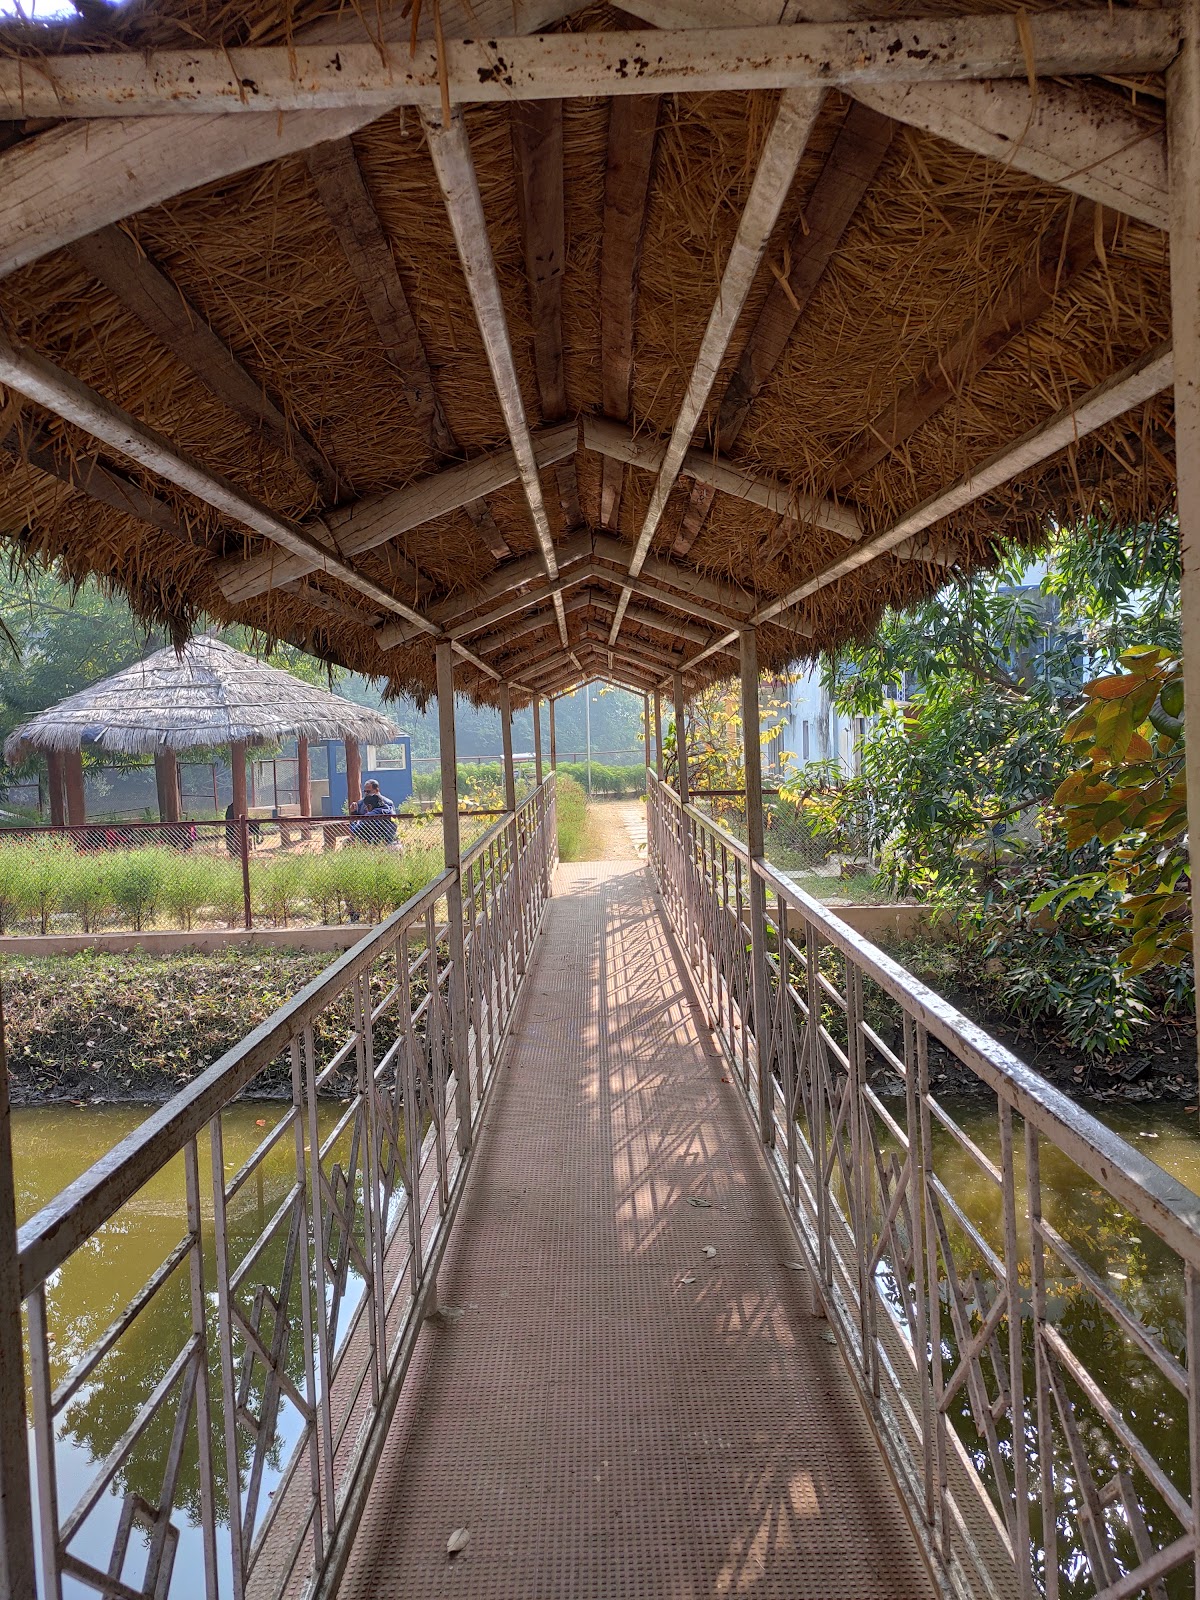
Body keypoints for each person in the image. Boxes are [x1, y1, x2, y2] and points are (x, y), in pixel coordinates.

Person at [349, 779, 398, 846]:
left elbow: (393, 821)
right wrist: (354, 813)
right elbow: (359, 819)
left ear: (377, 790)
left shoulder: (388, 803)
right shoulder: (361, 803)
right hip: (366, 836)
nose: (366, 793)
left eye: (368, 791)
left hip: (384, 837)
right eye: (364, 791)